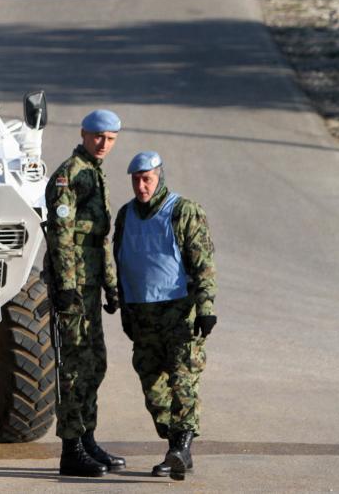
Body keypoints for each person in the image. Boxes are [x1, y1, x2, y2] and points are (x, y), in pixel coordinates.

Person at [113, 151, 217, 481]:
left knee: (183, 381)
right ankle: (175, 447)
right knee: (153, 387)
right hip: (143, 316)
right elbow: (121, 261)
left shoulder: (184, 211)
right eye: (136, 180)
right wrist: (125, 308)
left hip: (180, 314)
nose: (141, 186)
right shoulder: (125, 216)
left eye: (147, 179)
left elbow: (203, 264)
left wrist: (206, 309)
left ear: (160, 178)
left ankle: (181, 448)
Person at [44, 109, 126, 477]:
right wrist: (65, 287)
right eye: (98, 137)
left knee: (95, 364)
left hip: (90, 287)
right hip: (73, 288)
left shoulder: (96, 173)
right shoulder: (69, 175)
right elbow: (61, 236)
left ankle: (88, 438)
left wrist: (110, 284)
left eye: (110, 139)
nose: (103, 144)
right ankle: (71, 447)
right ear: (84, 134)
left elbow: (98, 239)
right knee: (73, 367)